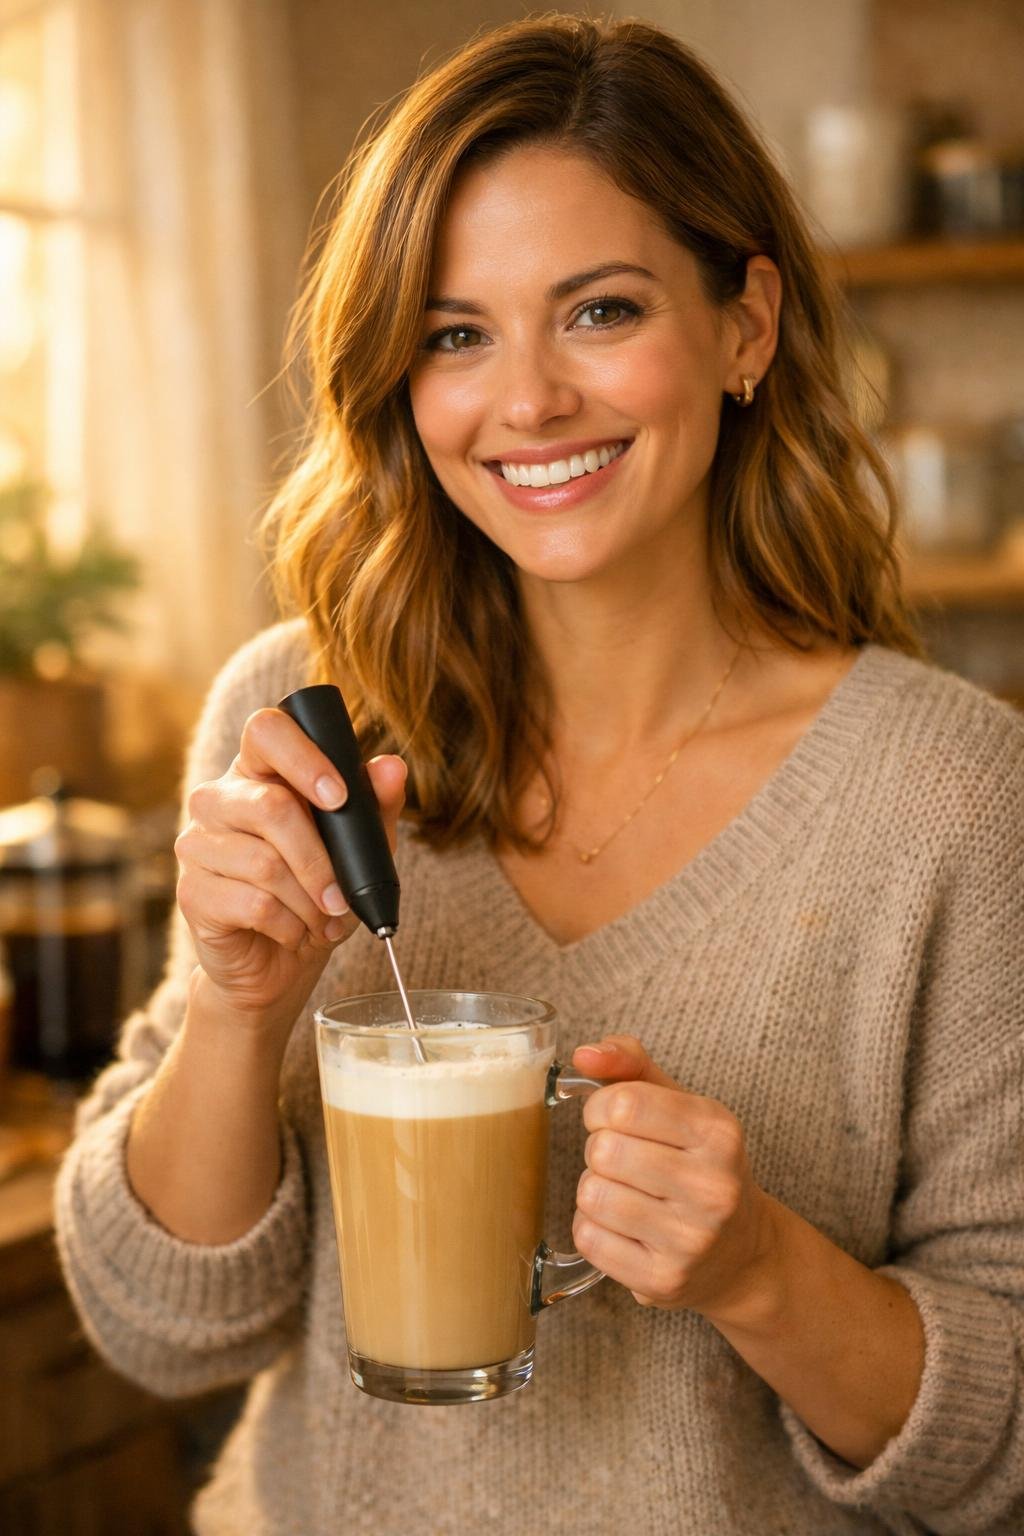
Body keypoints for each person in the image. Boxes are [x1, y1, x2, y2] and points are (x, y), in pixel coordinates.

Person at [55, 15, 1023, 1535]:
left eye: (599, 311)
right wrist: (243, 1015)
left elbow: (1007, 1454)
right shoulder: (303, 722)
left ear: (747, 325)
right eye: (455, 333)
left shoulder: (952, 802)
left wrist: (762, 1272)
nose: (527, 401)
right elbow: (162, 1324)